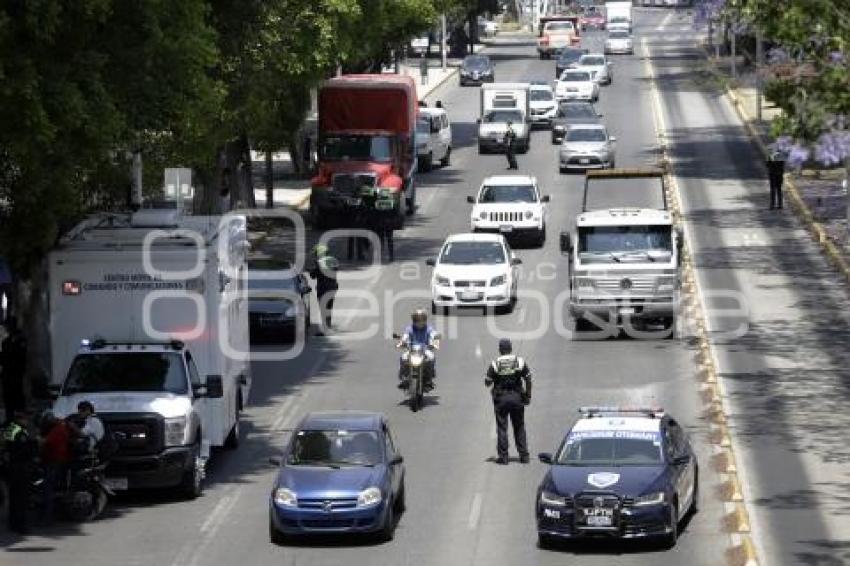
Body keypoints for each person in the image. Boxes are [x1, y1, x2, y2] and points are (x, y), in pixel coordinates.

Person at [485, 339, 532, 465]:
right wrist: (528, 395)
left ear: (500, 350)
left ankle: (504, 458)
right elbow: (528, 379)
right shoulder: (519, 361)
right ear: (511, 348)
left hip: (501, 399)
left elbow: (487, 382)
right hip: (517, 398)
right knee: (519, 426)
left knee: (502, 428)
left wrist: (496, 379)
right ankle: (524, 456)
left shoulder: (495, 363)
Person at [3, 410, 35, 533]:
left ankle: (13, 523)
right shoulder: (20, 431)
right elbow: (23, 449)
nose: (27, 421)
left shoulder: (10, 429)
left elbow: (6, 446)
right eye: (26, 419)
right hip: (20, 467)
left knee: (14, 497)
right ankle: (21, 526)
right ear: (21, 419)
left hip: (11, 466)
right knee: (21, 498)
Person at [38, 411, 73, 524]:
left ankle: (47, 516)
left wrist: (34, 439)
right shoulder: (60, 427)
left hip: (54, 461)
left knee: (47, 488)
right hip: (57, 460)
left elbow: (44, 441)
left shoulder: (57, 429)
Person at [397, 309, 439, 391]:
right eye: (417, 320)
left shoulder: (429, 329)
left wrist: (434, 343)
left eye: (421, 319)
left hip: (424, 349)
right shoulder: (409, 329)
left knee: (431, 358)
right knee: (403, 358)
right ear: (414, 320)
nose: (419, 322)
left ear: (425, 320)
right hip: (412, 350)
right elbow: (405, 336)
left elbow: (433, 335)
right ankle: (404, 377)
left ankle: (429, 379)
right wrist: (402, 342)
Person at [1, 317, 27, 425]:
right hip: (7, 375)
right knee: (8, 400)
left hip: (16, 375)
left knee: (17, 399)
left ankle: (18, 422)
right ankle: (9, 420)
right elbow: (3, 357)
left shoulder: (21, 341)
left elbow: (21, 358)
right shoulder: (6, 342)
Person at [308, 244, 339, 335]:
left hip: (323, 289)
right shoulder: (333, 260)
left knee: (323, 309)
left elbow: (313, 276)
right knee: (329, 307)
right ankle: (328, 327)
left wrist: (311, 270)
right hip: (333, 288)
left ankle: (325, 329)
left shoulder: (319, 263)